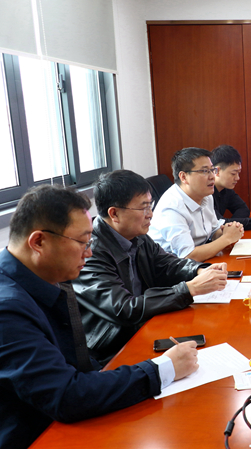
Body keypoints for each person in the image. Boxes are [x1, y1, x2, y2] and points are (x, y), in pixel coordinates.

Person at [0, 185, 199, 449]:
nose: (89, 253)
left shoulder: (51, 274)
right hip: (38, 435)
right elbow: (66, 396)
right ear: (38, 242)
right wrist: (162, 369)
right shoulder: (7, 310)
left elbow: (79, 366)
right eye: (82, 242)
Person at [73, 170, 230, 363]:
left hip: (146, 324)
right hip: (114, 347)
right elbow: (123, 308)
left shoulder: (137, 236)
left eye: (150, 205)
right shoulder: (91, 253)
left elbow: (167, 264)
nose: (151, 214)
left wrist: (199, 270)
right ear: (114, 213)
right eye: (144, 208)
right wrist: (190, 289)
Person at [149, 147, 243, 261]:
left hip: (200, 261)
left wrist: (227, 231)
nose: (212, 176)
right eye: (204, 171)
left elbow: (213, 231)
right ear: (184, 177)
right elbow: (188, 256)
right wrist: (227, 238)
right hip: (171, 267)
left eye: (212, 170)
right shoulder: (172, 207)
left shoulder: (206, 196)